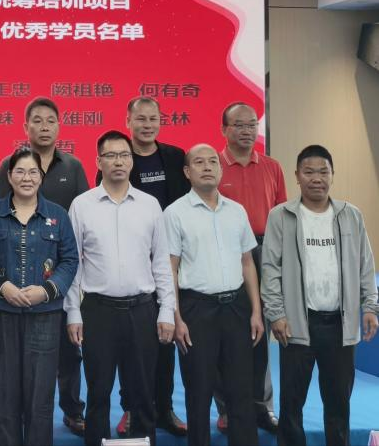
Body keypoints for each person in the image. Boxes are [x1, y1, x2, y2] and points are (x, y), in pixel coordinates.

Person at [261, 145, 379, 446]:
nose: (317, 178)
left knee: (338, 404)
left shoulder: (350, 215)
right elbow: (270, 268)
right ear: (297, 176)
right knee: (292, 404)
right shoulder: (281, 216)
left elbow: (365, 264)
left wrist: (370, 306)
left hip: (340, 325)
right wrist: (276, 313)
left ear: (332, 175)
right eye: (309, 172)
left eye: (323, 172)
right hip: (297, 325)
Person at [65, 130, 175, 446]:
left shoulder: (150, 205)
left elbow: (161, 262)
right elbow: (73, 263)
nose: (118, 161)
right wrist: (73, 311)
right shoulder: (82, 205)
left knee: (142, 393)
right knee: (98, 392)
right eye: (110, 155)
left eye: (124, 155)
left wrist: (167, 309)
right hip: (98, 310)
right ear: (98, 161)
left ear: (131, 161)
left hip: (142, 310)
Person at [0, 97, 89, 437]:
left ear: (59, 126)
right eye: (37, 120)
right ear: (25, 126)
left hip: (57, 285)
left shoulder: (72, 168)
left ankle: (73, 410)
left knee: (66, 354)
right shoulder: (8, 169)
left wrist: (55, 284)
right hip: (12, 287)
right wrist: (3, 282)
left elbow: (81, 223)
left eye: (50, 120)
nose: (44, 127)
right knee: (13, 371)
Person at [165, 144, 265, 446]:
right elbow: (170, 269)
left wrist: (256, 311)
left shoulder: (236, 211)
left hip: (236, 308)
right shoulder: (175, 213)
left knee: (241, 390)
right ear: (187, 171)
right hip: (197, 310)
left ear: (221, 170)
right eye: (199, 162)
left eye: (212, 162)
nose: (207, 167)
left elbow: (247, 263)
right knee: (198, 392)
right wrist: (176, 317)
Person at [101, 97, 189, 437]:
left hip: (169, 260)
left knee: (165, 337)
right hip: (130, 263)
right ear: (128, 121)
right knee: (130, 345)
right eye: (141, 119)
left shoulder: (175, 157)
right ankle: (131, 408)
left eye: (153, 118)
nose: (147, 125)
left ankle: (164, 408)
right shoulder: (118, 159)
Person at [0, 148, 78, 446]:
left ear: (41, 177)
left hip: (45, 316)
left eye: (33, 172)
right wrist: (2, 286)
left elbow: (70, 260)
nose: (27, 178)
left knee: (40, 395)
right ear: (9, 176)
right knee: (4, 391)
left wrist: (46, 291)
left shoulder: (58, 215)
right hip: (3, 312)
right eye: (20, 172)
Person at [214, 101, 285, 433]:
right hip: (225, 253)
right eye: (239, 125)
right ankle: (227, 408)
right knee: (226, 334)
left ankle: (262, 407)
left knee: (262, 331)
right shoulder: (212, 166)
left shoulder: (272, 166)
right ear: (224, 129)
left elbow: (282, 216)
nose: (247, 131)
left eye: (252, 124)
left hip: (264, 250)